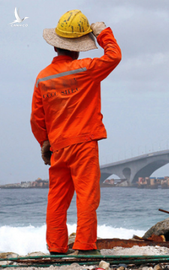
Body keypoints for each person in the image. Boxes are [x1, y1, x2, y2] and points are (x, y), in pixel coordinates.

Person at [30, 10, 121, 255]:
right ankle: (84, 246)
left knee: (57, 200)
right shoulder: (86, 69)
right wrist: (103, 33)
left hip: (58, 147)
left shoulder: (42, 79)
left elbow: (37, 119)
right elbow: (114, 56)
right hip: (83, 144)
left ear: (56, 46)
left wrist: (44, 143)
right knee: (86, 197)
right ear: (78, 47)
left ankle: (56, 247)